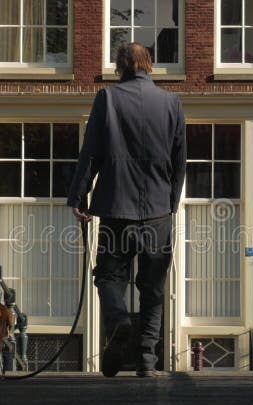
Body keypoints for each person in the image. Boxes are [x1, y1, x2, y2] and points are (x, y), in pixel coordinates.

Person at [66, 43, 186, 377]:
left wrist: (79, 197)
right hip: (158, 214)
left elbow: (91, 152)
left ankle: (118, 321)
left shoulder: (107, 99)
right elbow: (180, 162)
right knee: (153, 287)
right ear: (149, 66)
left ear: (120, 67)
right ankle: (147, 358)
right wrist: (170, 203)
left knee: (108, 276)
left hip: (116, 210)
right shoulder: (172, 103)